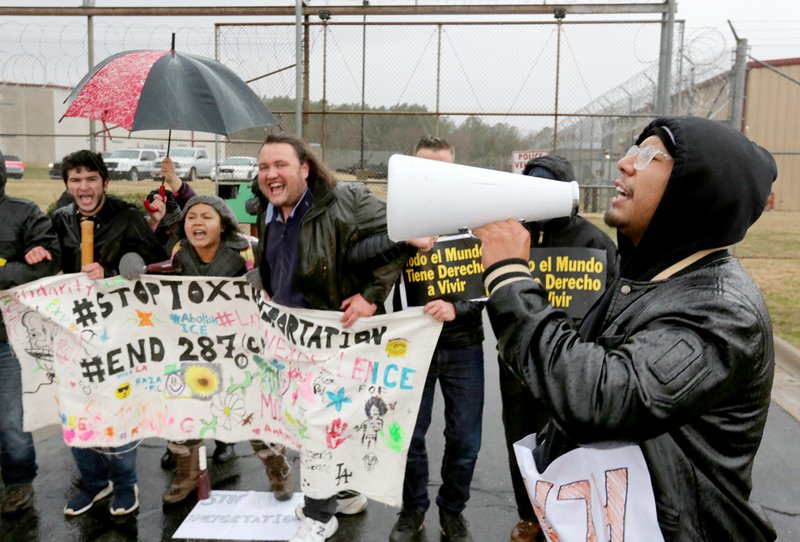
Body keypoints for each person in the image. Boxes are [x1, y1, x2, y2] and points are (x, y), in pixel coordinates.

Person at [474, 116, 778, 541]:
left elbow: (599, 400)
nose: (624, 163)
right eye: (633, 150)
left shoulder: (723, 312)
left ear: (698, 189)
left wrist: (509, 278)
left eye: (651, 154)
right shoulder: (648, 279)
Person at [249, 134, 404, 542]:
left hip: (335, 336)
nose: (270, 174)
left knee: (320, 425)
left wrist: (372, 297)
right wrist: (265, 283)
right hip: (291, 339)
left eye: (280, 165)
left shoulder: (344, 202)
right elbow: (273, 259)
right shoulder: (267, 208)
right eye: (264, 167)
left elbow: (403, 235)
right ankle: (347, 492)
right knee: (324, 423)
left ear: (305, 168)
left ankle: (319, 515)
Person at [121, 195, 293, 504]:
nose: (197, 222)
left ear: (223, 224)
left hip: (242, 352)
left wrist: (265, 278)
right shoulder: (176, 252)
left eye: (206, 216)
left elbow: (285, 271)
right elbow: (150, 278)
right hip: (192, 351)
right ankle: (187, 473)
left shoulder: (247, 249)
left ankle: (277, 467)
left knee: (254, 414)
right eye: (191, 217)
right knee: (184, 413)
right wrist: (133, 268)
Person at [501, 155, 618, 542]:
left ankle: (569, 517)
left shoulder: (596, 243)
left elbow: (614, 306)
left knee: (569, 444)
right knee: (521, 441)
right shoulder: (513, 238)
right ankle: (529, 517)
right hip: (518, 368)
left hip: (573, 368)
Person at [51, 149, 166, 516]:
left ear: (105, 182)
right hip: (72, 330)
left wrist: (114, 271)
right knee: (74, 405)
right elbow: (48, 265)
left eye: (90, 179)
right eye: (75, 180)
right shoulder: (60, 219)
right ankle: (94, 482)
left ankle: (124, 483)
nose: (83, 187)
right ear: (68, 184)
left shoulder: (127, 216)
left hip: (118, 330)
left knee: (118, 405)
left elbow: (150, 267)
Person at [387, 136, 484, 542]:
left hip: (463, 344)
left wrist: (457, 309)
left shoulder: (474, 218)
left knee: (464, 439)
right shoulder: (396, 216)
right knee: (410, 435)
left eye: (442, 169)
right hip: (412, 343)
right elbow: (367, 261)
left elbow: (490, 284)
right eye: (425, 168)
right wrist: (398, 240)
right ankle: (413, 509)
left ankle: (452, 509)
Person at [0, 150, 61, 516]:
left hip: (7, 339)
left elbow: (49, 261)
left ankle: (19, 482)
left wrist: (8, 273)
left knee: (10, 420)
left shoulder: (25, 213)